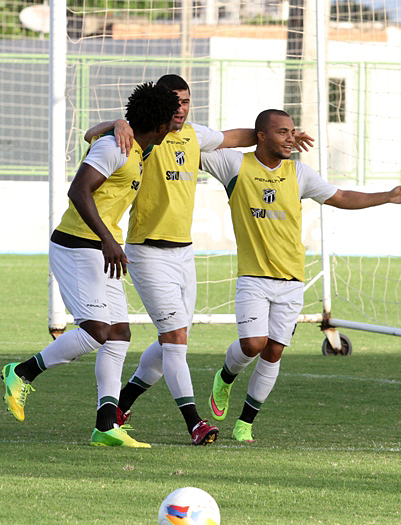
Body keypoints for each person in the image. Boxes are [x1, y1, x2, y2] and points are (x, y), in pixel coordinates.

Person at [81, 75, 314, 446]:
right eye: (174, 101)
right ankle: (194, 422)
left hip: (184, 253)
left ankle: (120, 406)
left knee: (171, 340)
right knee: (175, 339)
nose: (181, 108)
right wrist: (117, 122)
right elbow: (91, 135)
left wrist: (283, 135)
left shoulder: (195, 135)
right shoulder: (142, 134)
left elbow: (242, 136)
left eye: (186, 101)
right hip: (147, 250)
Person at [201, 109, 401, 442]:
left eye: (292, 132)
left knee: (274, 351)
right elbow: (196, 144)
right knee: (253, 344)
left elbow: (341, 197)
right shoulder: (234, 165)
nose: (292, 138)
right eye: (282, 133)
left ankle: (246, 422)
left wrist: (386, 197)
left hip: (292, 279)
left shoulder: (299, 172)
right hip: (253, 277)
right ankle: (225, 378)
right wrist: (252, 133)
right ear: (261, 136)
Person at [0, 82, 179, 448]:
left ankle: (106, 426)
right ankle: (21, 372)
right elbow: (78, 190)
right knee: (97, 331)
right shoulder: (117, 146)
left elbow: (88, 133)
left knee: (118, 337)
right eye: (171, 119)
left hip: (102, 248)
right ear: (159, 126)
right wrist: (110, 240)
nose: (176, 123)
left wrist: (114, 122)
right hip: (78, 245)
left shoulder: (133, 145)